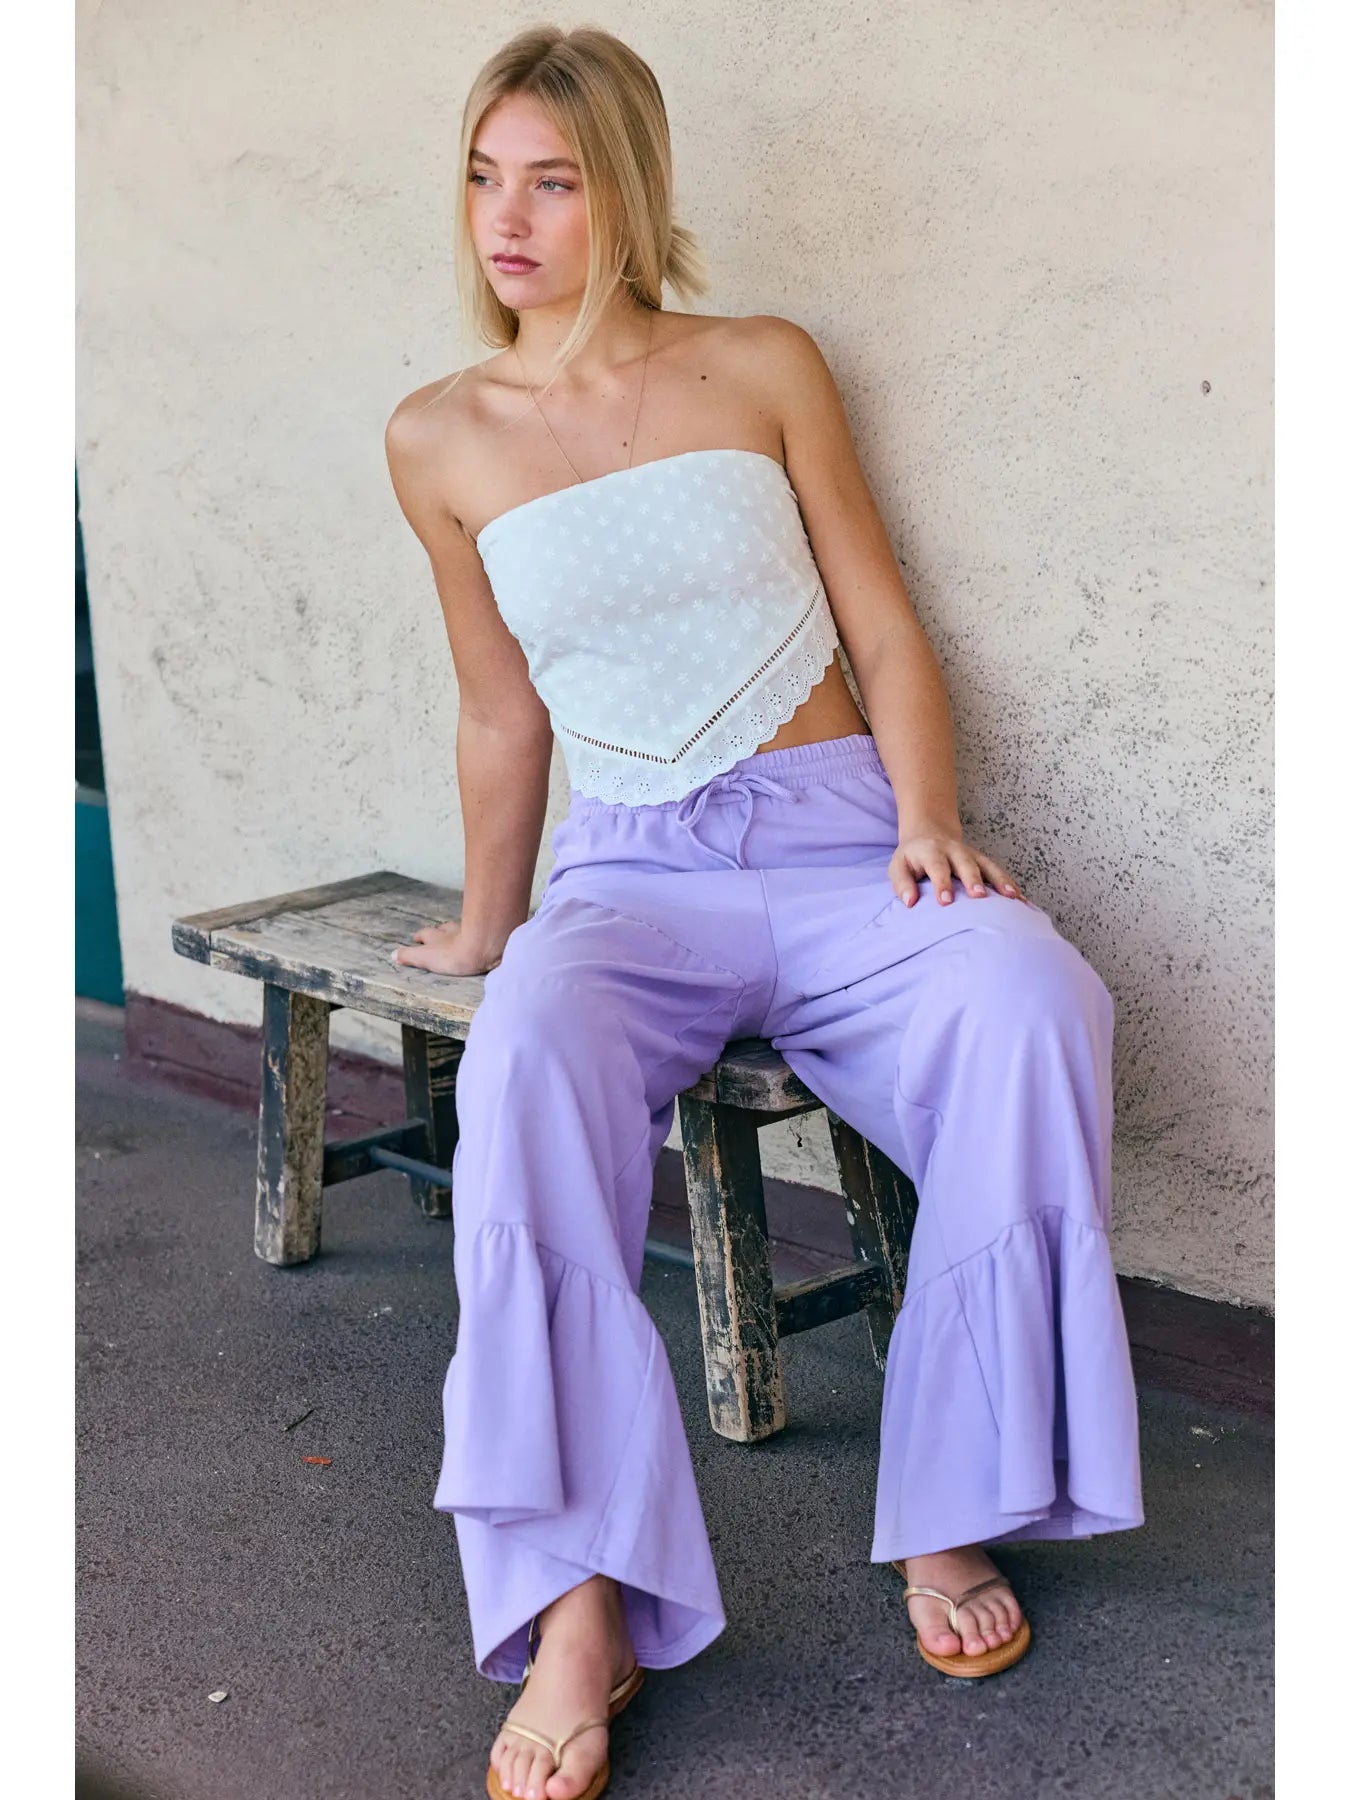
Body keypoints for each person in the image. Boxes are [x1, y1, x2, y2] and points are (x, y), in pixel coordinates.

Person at [384, 24, 1144, 1800]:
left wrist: (927, 817)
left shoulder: (760, 364)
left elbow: (879, 622)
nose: (508, 219)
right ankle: (577, 1606)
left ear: (627, 191)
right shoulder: (438, 435)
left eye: (553, 181)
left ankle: (951, 1503)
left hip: (841, 844)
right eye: (485, 177)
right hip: (630, 876)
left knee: (1032, 999)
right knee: (523, 1064)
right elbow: (499, 712)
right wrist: (491, 928)